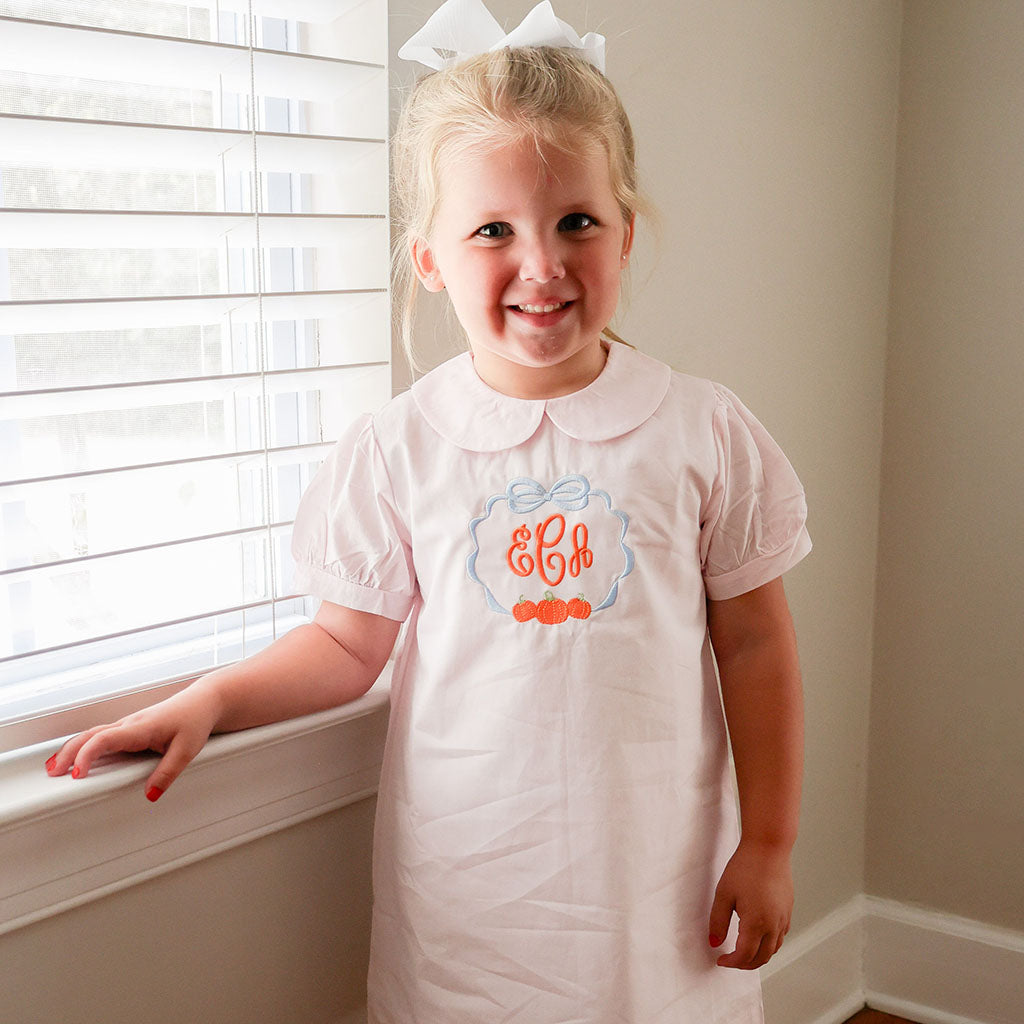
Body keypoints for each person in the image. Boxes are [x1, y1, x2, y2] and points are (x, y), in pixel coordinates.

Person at [46, 2, 810, 1020]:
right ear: (431, 259)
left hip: (657, 871)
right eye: (493, 229)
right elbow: (345, 643)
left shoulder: (701, 433)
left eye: (575, 222)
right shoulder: (401, 447)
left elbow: (756, 645)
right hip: (476, 882)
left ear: (625, 232)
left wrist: (766, 843)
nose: (540, 265)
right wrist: (214, 699)